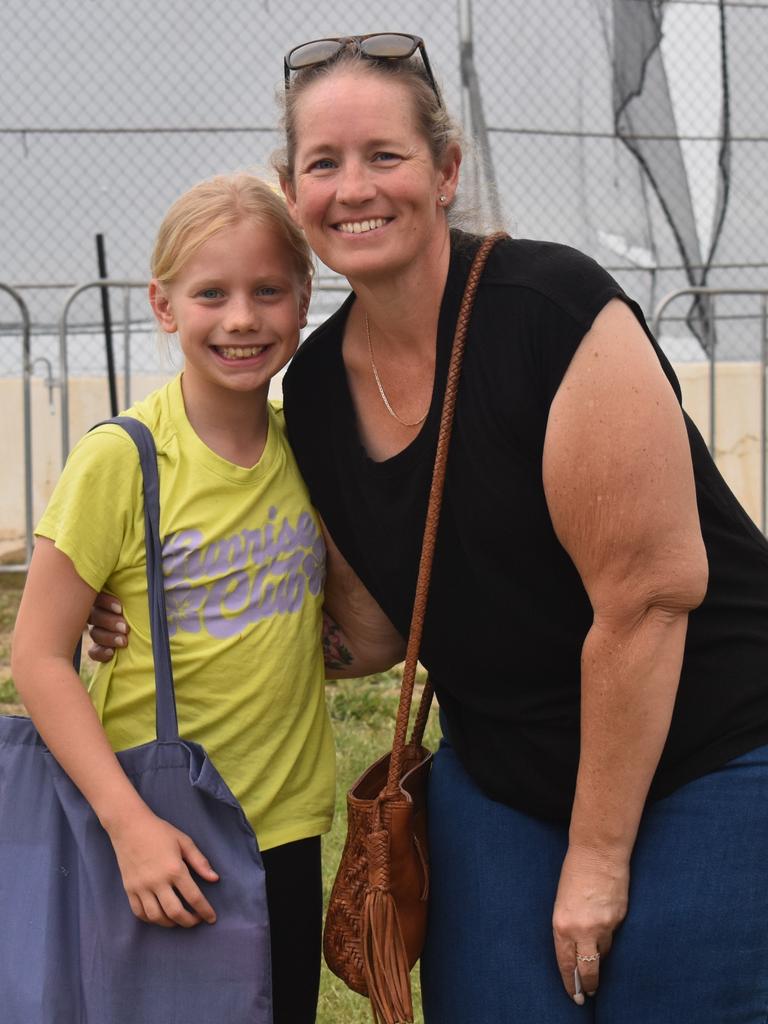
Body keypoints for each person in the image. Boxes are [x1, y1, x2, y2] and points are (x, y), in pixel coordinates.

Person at [89, 34, 768, 1023]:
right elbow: (364, 626)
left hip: (706, 743)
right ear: (295, 190)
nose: (353, 186)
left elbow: (649, 604)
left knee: (672, 994)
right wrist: (143, 602)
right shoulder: (314, 390)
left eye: (385, 156)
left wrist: (596, 857)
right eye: (324, 163)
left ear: (446, 172)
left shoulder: (552, 311)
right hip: (501, 763)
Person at [11, 173, 336, 1024]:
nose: (241, 318)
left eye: (268, 291)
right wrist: (128, 827)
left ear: (304, 300)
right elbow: (38, 658)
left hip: (285, 830)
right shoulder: (123, 460)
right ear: (163, 305)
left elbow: (343, 624)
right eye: (211, 293)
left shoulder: (313, 453)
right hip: (163, 832)